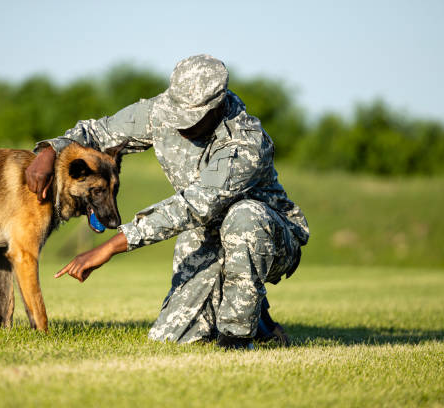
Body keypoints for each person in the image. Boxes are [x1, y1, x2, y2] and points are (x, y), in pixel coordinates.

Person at [26, 55, 309, 349]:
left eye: (190, 117)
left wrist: (110, 247)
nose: (179, 124)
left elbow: (194, 205)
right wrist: (49, 151)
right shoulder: (160, 111)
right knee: (170, 340)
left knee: (243, 216)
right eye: (177, 113)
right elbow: (98, 132)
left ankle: (237, 337)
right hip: (205, 232)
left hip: (269, 238)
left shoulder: (246, 142)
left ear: (217, 106)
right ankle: (252, 314)